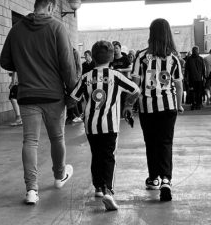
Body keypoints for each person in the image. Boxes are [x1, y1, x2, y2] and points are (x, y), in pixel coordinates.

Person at [0, 0, 77, 205]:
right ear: (51, 7)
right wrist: (73, 91)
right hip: (53, 96)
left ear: (36, 6)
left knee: (30, 141)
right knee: (57, 138)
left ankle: (31, 190)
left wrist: (24, 64)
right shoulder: (56, 27)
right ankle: (59, 176)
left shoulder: (16, 30)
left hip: (27, 96)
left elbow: (4, 61)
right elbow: (67, 65)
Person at [71, 40, 139, 211]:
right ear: (111, 58)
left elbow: (73, 99)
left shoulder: (86, 78)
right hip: (110, 125)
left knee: (96, 154)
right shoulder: (116, 75)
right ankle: (108, 189)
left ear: (92, 57)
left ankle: (98, 187)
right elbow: (135, 90)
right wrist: (128, 106)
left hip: (91, 125)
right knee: (108, 156)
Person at [131, 18, 184, 202]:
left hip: (147, 107)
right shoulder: (174, 58)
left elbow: (135, 84)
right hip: (168, 106)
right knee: (166, 143)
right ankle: (166, 180)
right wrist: (178, 105)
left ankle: (154, 178)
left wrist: (130, 105)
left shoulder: (141, 56)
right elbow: (178, 85)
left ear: (151, 33)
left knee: (151, 142)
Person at [66, 48, 83, 124]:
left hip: (73, 79)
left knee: (72, 97)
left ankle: (77, 115)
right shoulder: (66, 52)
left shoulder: (74, 52)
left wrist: (76, 78)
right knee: (68, 97)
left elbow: (79, 66)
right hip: (67, 78)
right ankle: (71, 115)